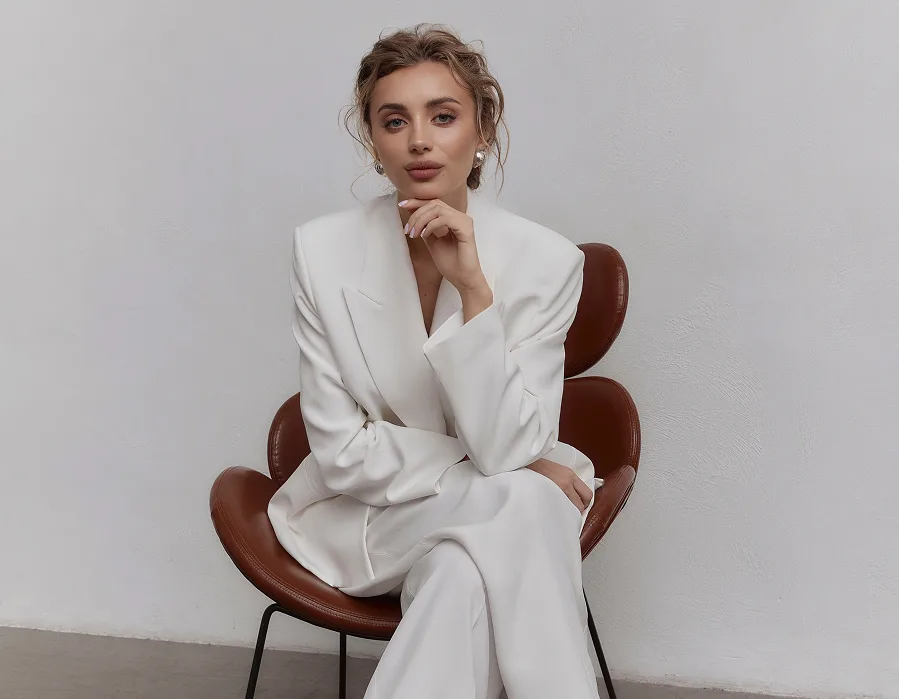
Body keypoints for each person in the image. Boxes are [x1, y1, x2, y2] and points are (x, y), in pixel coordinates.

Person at [268, 23, 603, 699]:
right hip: (365, 517)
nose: (419, 140)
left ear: (483, 131)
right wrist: (516, 470)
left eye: (443, 116)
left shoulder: (546, 262)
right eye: (394, 121)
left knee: (460, 575)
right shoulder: (322, 251)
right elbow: (342, 452)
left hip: (482, 511)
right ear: (373, 141)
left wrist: (475, 292)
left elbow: (506, 445)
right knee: (527, 496)